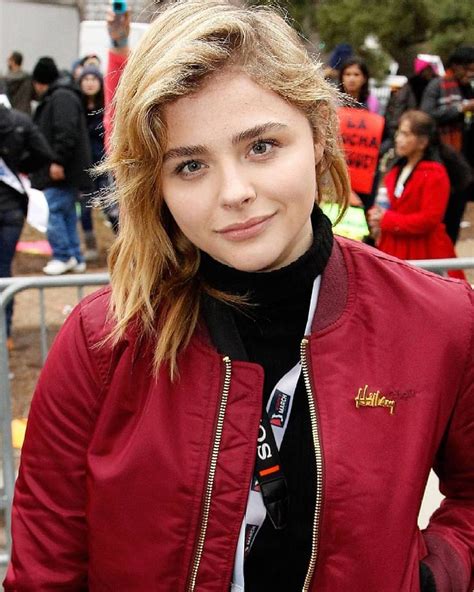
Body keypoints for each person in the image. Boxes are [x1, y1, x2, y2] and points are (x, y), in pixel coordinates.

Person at [5, 3, 474, 591]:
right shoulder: (103, 340)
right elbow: (46, 568)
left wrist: (435, 576)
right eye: (191, 164)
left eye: (261, 147)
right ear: (157, 185)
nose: (234, 192)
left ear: (318, 135)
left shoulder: (438, 321)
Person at [367, 110, 465, 279]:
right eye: (398, 132)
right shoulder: (396, 170)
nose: (398, 138)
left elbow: (429, 219)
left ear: (422, 142)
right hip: (395, 246)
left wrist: (387, 219)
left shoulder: (435, 174)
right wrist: (377, 216)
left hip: (423, 250)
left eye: (405, 134)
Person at [30, 56, 92, 275]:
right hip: (68, 169)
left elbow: (65, 132)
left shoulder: (60, 97)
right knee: (66, 212)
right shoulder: (66, 94)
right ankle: (75, 255)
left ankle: (63, 255)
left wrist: (57, 160)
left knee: (54, 211)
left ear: (39, 82)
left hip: (61, 169)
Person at [0, 104, 52, 350]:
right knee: (4, 269)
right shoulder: (17, 120)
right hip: (11, 208)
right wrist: (22, 166)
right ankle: (5, 331)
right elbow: (43, 152)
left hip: (10, 206)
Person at [421, 46, 474, 244]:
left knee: (455, 217)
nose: (471, 74)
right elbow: (427, 116)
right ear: (456, 67)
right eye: (468, 69)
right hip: (444, 161)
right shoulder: (437, 86)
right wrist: (461, 108)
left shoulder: (469, 87)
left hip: (464, 164)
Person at [78, 65, 106, 260]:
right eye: (85, 79)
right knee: (84, 206)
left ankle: (127, 244)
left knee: (111, 207)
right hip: (83, 166)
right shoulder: (76, 107)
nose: (89, 83)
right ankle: (90, 246)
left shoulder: (106, 107)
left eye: (93, 79)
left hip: (104, 165)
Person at [385, 57, 439, 141]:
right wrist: (395, 130)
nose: (430, 73)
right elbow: (398, 109)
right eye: (428, 70)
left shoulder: (432, 87)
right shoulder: (409, 88)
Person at [1, 51, 34, 115]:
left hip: (11, 115)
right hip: (26, 114)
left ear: (13, 62)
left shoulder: (4, 81)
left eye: (9, 60)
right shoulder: (28, 79)